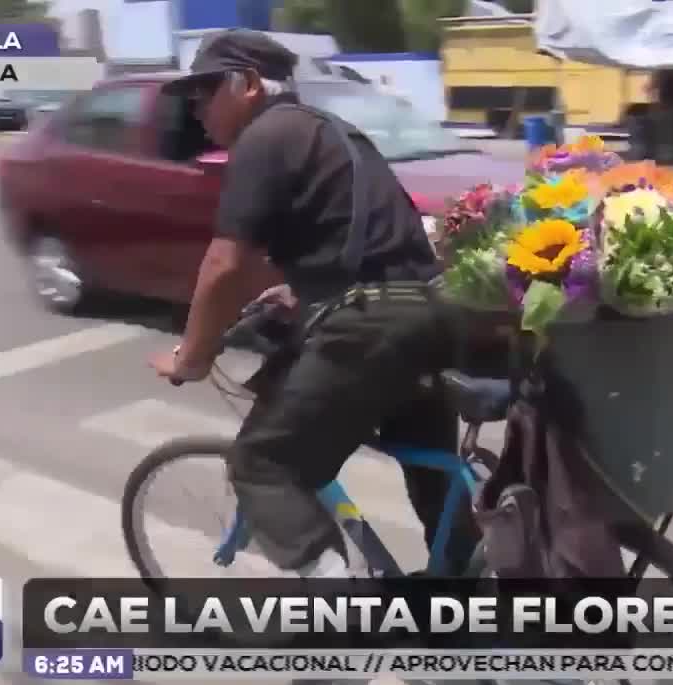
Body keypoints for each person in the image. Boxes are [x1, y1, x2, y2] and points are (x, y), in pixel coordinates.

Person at [150, 29, 479, 589]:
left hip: (372, 327)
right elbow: (368, 238)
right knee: (428, 466)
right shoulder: (336, 133)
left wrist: (192, 356)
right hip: (429, 315)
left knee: (262, 464)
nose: (197, 110)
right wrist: (303, 290)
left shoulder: (264, 138)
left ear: (247, 84)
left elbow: (226, 264)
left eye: (204, 93)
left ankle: (338, 608)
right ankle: (463, 593)